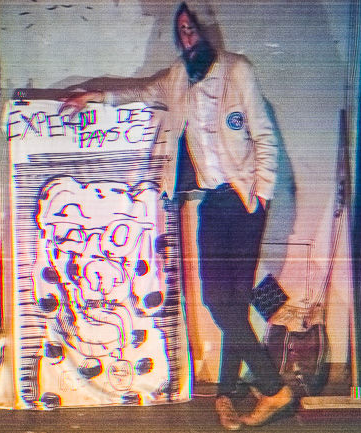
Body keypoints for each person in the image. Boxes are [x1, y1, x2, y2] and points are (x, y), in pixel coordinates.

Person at [61, 2, 293, 429]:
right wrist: (94, 97)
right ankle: (257, 390)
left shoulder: (237, 70)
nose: (188, 37)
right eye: (181, 29)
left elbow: (264, 134)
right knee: (223, 303)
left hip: (244, 200)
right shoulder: (176, 78)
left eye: (193, 28)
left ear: (208, 29)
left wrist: (260, 194)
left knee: (229, 304)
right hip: (212, 202)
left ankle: (248, 391)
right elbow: (140, 92)